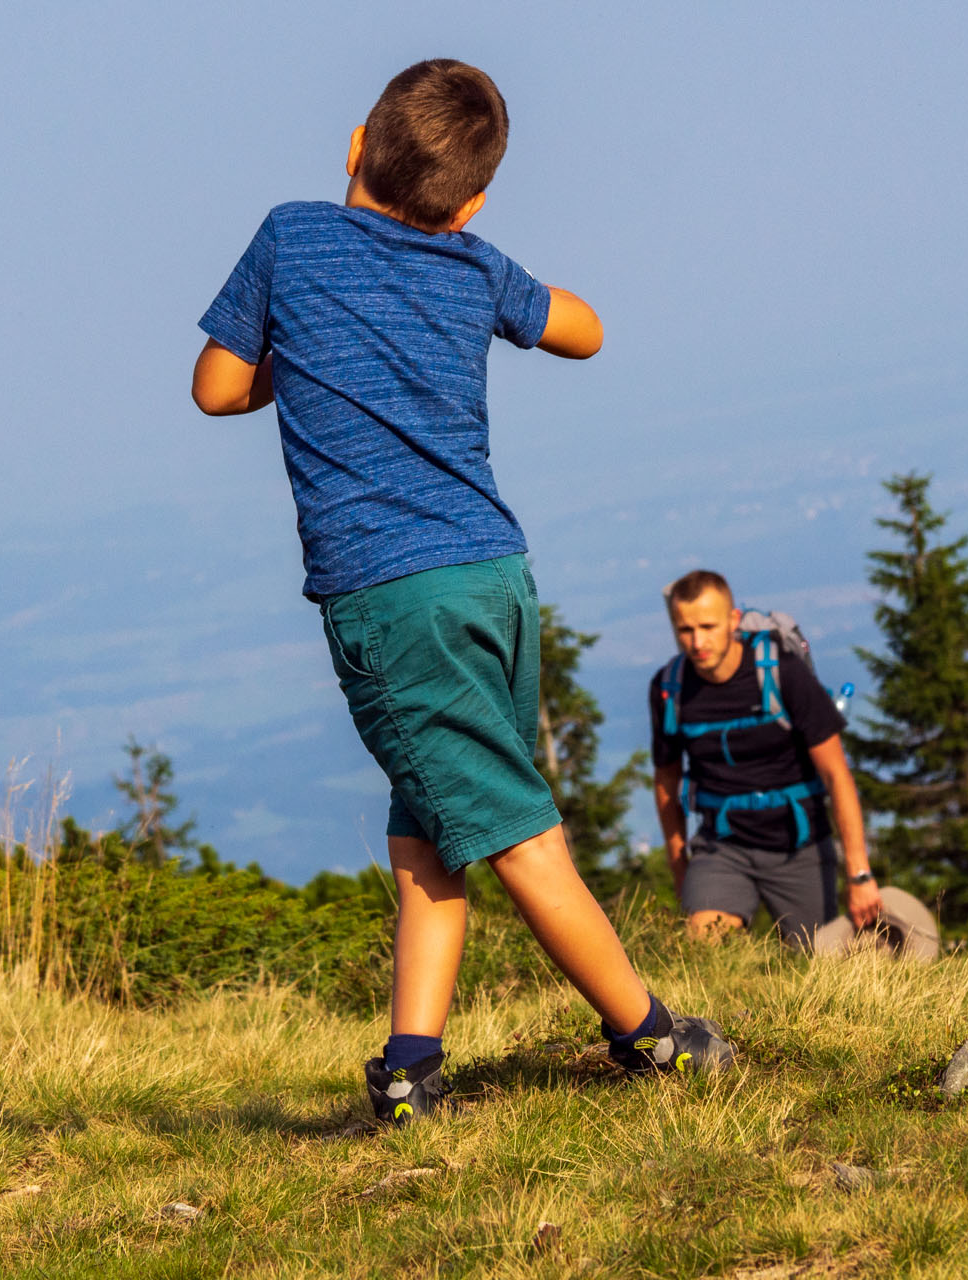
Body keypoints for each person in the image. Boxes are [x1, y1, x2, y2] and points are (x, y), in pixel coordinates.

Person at [190, 60, 731, 1124]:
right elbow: (586, 329)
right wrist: (481, 269)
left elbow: (216, 388)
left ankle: (654, 1038)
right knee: (430, 831)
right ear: (472, 198)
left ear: (355, 143)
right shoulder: (471, 263)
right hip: (492, 576)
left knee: (521, 838)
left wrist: (302, 356)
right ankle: (411, 1065)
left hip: (393, 599)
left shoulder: (291, 238)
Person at [652, 570, 882, 946]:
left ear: (733, 620)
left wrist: (859, 875)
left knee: (819, 966)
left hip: (799, 846)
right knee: (704, 949)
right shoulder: (669, 688)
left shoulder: (784, 673)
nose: (697, 642)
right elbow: (666, 783)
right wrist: (681, 868)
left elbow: (837, 775)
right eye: (685, 630)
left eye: (708, 627)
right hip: (722, 848)